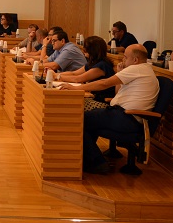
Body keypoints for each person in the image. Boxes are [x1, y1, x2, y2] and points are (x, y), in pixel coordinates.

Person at [59, 44, 159, 174]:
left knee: (80, 119)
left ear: (135, 60)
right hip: (124, 116)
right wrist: (119, 73)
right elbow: (117, 92)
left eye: (125, 57)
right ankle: (89, 158)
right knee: (88, 118)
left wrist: (76, 88)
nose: (123, 60)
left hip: (126, 118)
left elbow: (104, 83)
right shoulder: (143, 70)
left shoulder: (137, 69)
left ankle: (97, 162)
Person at [55, 36, 115, 108]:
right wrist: (56, 74)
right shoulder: (93, 62)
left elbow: (78, 79)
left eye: (86, 49)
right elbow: (74, 73)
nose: (83, 51)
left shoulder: (102, 66)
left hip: (101, 101)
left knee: (69, 106)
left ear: (92, 50)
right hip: (92, 96)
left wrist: (58, 76)